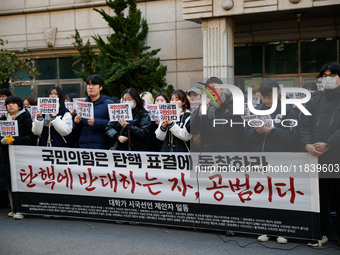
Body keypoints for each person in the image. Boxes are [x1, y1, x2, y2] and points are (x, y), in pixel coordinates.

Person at [244, 80, 299, 244]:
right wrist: (256, 131)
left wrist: (272, 131)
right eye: (265, 97)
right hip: (260, 159)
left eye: (270, 97)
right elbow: (247, 136)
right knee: (263, 194)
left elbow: (294, 138)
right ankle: (266, 229)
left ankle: (283, 230)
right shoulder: (257, 110)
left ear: (278, 94)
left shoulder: (288, 110)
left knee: (281, 194)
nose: (267, 100)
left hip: (281, 159)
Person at [299, 61, 340, 245]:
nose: (328, 79)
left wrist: (329, 144)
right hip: (317, 158)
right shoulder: (314, 99)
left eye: (333, 75)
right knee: (320, 198)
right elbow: (303, 125)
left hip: (336, 156)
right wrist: (307, 144)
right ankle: (324, 233)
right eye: (325, 76)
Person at [0, 96, 37, 219]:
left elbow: (31, 138)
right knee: (10, 181)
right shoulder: (3, 119)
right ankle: (14, 208)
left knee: (21, 181)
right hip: (6, 155)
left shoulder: (26, 118)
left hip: (21, 155)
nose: (10, 106)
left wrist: (13, 140)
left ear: (19, 106)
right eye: (8, 104)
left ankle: (21, 209)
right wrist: (2, 140)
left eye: (13, 103)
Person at [190, 77, 245, 152]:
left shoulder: (233, 108)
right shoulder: (202, 107)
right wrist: (199, 115)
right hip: (208, 154)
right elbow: (192, 129)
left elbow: (241, 132)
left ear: (222, 89)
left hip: (229, 154)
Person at [74, 74, 114, 149]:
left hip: (102, 149)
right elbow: (77, 131)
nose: (90, 87)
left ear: (101, 87)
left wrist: (96, 123)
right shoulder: (82, 105)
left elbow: (115, 124)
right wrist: (76, 123)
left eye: (94, 84)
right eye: (89, 84)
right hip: (83, 147)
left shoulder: (109, 103)